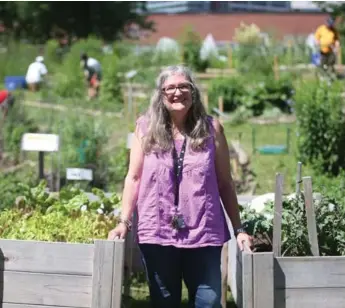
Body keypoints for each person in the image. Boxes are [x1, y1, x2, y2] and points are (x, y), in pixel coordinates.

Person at [108, 65, 253, 307]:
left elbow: (225, 183)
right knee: (164, 301)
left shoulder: (211, 129)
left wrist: (239, 229)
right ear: (161, 94)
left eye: (184, 86)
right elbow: (133, 178)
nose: (178, 92)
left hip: (204, 231)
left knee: (209, 301)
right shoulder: (145, 128)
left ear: (193, 92)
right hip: (157, 231)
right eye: (171, 88)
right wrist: (124, 222)